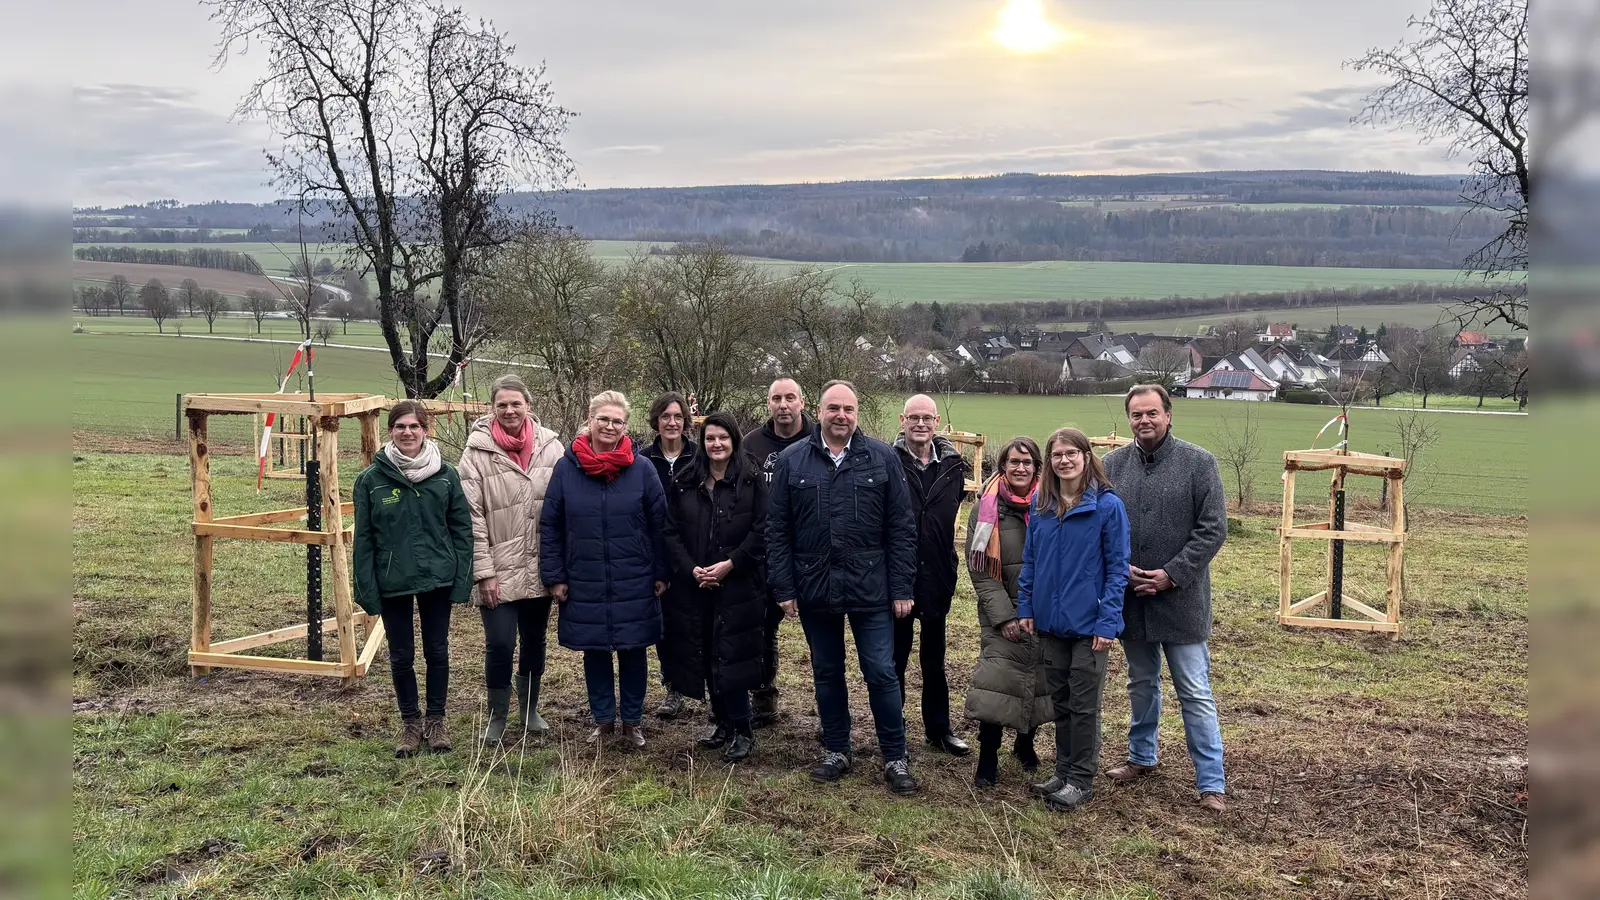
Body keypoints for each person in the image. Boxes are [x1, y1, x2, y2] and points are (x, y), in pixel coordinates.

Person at [767, 380, 921, 796]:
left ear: (857, 413)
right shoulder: (792, 460)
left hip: (871, 587)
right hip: (815, 586)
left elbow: (901, 528)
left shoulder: (883, 458)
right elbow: (777, 530)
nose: (841, 416)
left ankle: (895, 755)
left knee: (881, 672)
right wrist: (784, 587)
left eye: (848, 409)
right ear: (818, 411)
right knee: (827, 672)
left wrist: (902, 586)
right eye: (833, 408)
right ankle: (837, 749)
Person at [1101, 383, 1230, 812]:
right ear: (1129, 418)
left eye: (1152, 413)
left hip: (1182, 601)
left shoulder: (1199, 464)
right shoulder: (1111, 466)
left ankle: (1211, 782)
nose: (1144, 420)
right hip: (1131, 599)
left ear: (1169, 415)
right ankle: (1142, 757)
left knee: (1194, 691)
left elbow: (1213, 528)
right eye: (1137, 414)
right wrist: (1122, 572)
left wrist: (1172, 575)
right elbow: (1100, 527)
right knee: (1140, 683)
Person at [540, 391, 670, 749]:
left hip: (635, 576)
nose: (610, 426)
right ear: (590, 420)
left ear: (625, 426)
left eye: (617, 421)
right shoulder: (567, 468)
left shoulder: (641, 469)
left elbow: (660, 525)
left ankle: (632, 721)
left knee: (633, 648)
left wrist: (662, 571)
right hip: (585, 576)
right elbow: (551, 524)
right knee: (594, 649)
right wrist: (555, 576)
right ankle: (603, 721)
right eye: (604, 419)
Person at [1017, 427, 1129, 812]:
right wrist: (1027, 607)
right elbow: (1031, 562)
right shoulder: (1043, 506)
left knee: (1084, 704)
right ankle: (1063, 771)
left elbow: (1117, 570)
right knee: (1061, 701)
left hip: (1090, 625)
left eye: (1071, 453)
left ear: (1086, 455)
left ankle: (1081, 778)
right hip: (1051, 623)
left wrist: (1107, 621)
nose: (1064, 460)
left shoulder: (1107, 507)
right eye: (1057, 455)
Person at [353, 401, 473, 758]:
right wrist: (367, 590)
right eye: (400, 426)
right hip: (393, 580)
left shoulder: (445, 475)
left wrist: (462, 579)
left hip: (438, 576)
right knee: (401, 656)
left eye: (414, 426)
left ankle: (436, 721)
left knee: (437, 652)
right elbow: (364, 540)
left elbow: (461, 530)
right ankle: (411, 724)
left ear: (426, 430)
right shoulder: (371, 480)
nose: (408, 432)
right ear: (390, 431)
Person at [458, 374, 563, 747]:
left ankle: (529, 709)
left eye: (516, 403)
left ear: (528, 406)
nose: (509, 410)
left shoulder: (551, 448)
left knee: (534, 642)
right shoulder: (476, 453)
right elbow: (471, 517)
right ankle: (497, 715)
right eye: (502, 404)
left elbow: (563, 509)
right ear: (492, 408)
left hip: (539, 567)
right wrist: (484, 573)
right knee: (500, 643)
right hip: (498, 571)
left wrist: (559, 567)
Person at [660, 413, 769, 762]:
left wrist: (731, 564)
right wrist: (691, 568)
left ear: (734, 440)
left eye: (723, 437)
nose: (716, 444)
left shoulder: (751, 481)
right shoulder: (686, 480)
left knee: (732, 657)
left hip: (738, 586)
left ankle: (743, 728)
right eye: (710, 439)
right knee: (705, 653)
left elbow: (762, 529)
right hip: (695, 586)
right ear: (702, 443)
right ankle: (722, 724)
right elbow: (670, 531)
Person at [963, 437, 1048, 788]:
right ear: (1002, 466)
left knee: (1040, 681)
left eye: (1027, 462)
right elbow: (980, 568)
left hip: (1044, 613)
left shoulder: (1052, 506)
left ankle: (1025, 744)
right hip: (1002, 615)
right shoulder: (984, 511)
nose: (1020, 468)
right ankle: (988, 755)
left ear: (1037, 468)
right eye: (1014, 461)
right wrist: (1006, 616)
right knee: (996, 684)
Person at [891, 394, 970, 756]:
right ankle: (892, 731)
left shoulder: (954, 466)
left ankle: (939, 730)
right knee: (895, 658)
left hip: (937, 574)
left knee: (934, 660)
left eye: (927, 418)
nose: (920, 424)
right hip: (898, 575)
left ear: (937, 422)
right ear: (902, 420)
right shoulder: (888, 462)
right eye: (914, 418)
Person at [741, 377, 815, 727]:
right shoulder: (751, 444)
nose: (783, 405)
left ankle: (829, 712)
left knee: (820, 633)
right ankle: (764, 698)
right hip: (765, 551)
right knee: (763, 627)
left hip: (813, 552)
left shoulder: (818, 439)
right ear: (768, 403)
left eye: (790, 398)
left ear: (802, 402)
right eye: (776, 399)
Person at [640, 391, 698, 720]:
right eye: (665, 417)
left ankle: (703, 685)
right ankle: (673, 688)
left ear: (685, 421)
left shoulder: (700, 456)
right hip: (659, 554)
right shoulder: (644, 460)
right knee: (666, 626)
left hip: (696, 554)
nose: (672, 422)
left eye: (677, 417)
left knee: (698, 623)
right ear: (656, 421)